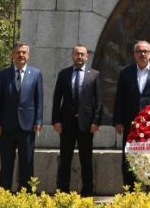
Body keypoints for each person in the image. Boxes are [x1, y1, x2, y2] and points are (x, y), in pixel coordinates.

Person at [113, 40, 150, 188]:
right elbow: (119, 97)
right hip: (131, 124)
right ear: (134, 54)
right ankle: (130, 192)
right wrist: (118, 121)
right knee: (128, 159)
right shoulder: (126, 72)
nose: (142, 54)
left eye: (145, 51)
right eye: (139, 51)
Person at [0, 41, 44, 192]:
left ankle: (26, 194)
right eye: (18, 52)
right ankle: (4, 193)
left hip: (27, 127)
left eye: (24, 52)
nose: (21, 55)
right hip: (6, 127)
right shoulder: (3, 75)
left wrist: (39, 120)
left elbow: (39, 99)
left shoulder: (36, 74)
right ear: (12, 55)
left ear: (28, 55)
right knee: (6, 163)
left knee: (27, 163)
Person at [51, 45, 103, 197]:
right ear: (72, 56)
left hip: (86, 125)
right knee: (65, 158)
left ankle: (87, 191)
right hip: (66, 124)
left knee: (86, 159)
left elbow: (98, 101)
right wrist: (56, 121)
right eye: (76, 54)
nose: (79, 57)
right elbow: (56, 100)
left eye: (82, 54)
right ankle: (62, 190)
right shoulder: (63, 74)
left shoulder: (94, 75)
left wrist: (96, 121)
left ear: (87, 57)